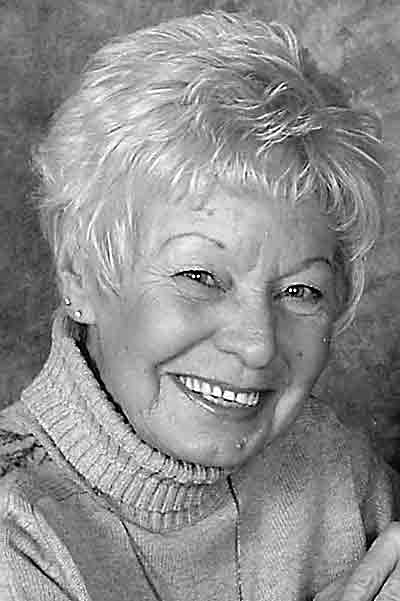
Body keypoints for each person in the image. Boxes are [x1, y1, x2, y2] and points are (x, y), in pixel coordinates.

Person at [0, 10, 399, 601]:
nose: (258, 344)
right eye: (201, 277)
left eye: (300, 291)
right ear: (79, 274)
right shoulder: (16, 530)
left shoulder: (338, 468)